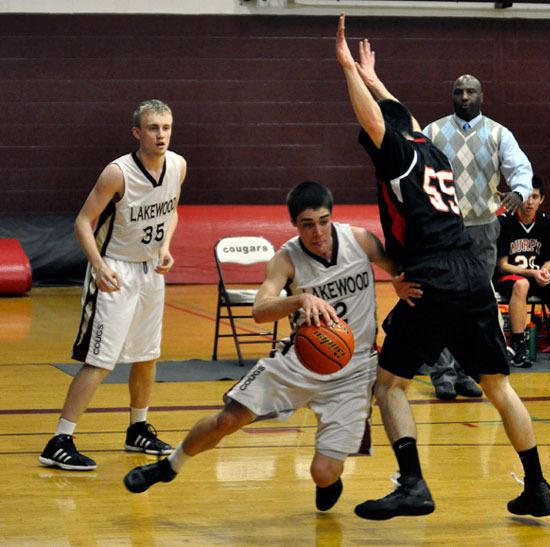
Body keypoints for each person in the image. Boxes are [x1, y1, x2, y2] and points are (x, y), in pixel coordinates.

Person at [336, 13, 550, 520]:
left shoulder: (395, 155)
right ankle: (538, 487)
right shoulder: (430, 146)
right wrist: (376, 80)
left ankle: (412, 484)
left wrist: (349, 69)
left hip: (433, 275)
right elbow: (399, 116)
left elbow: (377, 121)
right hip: (469, 272)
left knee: (389, 383)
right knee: (499, 386)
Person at [123, 181, 421, 511]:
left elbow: (398, 270)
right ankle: (170, 466)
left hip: (353, 372)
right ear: (295, 224)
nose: (318, 232)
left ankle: (329, 479)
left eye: (323, 221)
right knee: (228, 420)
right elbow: (259, 310)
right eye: (308, 224)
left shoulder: (360, 240)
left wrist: (401, 283)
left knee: (322, 474)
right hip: (299, 363)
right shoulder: (286, 259)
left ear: (331, 217)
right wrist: (299, 299)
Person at [355, 39, 532, 400]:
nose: (465, 97)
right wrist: (372, 82)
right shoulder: (433, 131)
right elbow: (400, 121)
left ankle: (470, 372)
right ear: (452, 96)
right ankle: (443, 375)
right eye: (459, 92)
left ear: (482, 96)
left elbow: (521, 169)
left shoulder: (499, 133)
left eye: (471, 91)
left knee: (472, 307)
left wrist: (520, 190)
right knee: (443, 306)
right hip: (442, 233)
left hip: (482, 227)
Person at [39, 99, 186, 470]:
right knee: (100, 361)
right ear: (137, 132)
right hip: (115, 271)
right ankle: (59, 440)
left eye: (166, 127)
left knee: (147, 354)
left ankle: (138, 429)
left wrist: (166, 247)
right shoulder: (117, 173)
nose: (161, 135)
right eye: (153, 128)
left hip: (151, 270)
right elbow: (82, 223)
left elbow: (171, 211)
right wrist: (99, 265)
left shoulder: (178, 166)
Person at [495, 175, 550, 368]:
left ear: (541, 199)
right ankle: (519, 345)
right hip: (513, 276)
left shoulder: (546, 223)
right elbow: (502, 265)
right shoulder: (504, 222)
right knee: (522, 284)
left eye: (535, 197)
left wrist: (544, 271)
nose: (530, 202)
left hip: (538, 276)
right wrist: (531, 273)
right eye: (526, 196)